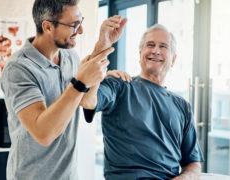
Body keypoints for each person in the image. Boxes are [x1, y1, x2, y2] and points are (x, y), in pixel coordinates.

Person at [0, 0, 127, 180]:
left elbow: (86, 100)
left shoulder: (70, 57)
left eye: (81, 22)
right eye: (74, 24)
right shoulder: (19, 69)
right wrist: (80, 81)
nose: (81, 30)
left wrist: (103, 45)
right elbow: (44, 133)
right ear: (48, 26)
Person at [81, 24, 204, 180]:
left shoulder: (182, 106)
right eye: (150, 45)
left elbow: (193, 162)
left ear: (173, 59)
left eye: (163, 46)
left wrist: (186, 177)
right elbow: (87, 101)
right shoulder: (119, 84)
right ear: (140, 54)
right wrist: (102, 46)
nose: (156, 50)